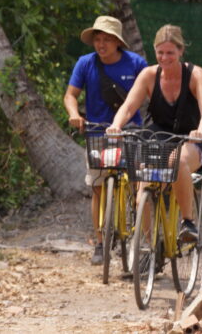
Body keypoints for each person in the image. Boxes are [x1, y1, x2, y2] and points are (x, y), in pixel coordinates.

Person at [107, 24, 202, 244]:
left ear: (181, 51)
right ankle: (147, 248)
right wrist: (116, 125)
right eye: (160, 52)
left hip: (189, 139)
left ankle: (188, 222)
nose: (164, 58)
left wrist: (201, 131)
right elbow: (128, 107)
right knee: (143, 188)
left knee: (178, 160)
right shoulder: (149, 75)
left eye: (170, 53)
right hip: (157, 141)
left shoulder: (195, 74)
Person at [63, 15, 147, 265]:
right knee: (98, 186)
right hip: (97, 132)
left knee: (135, 183)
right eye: (97, 39)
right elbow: (70, 95)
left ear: (117, 42)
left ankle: (137, 236)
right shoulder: (85, 63)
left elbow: (150, 91)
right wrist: (74, 114)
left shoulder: (136, 63)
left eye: (107, 40)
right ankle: (100, 242)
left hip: (130, 132)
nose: (101, 44)